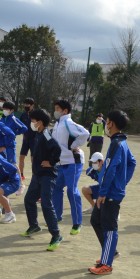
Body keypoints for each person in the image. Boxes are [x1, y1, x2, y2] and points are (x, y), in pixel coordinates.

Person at [89, 109, 137, 275]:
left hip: (109, 194)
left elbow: (110, 170)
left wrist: (104, 192)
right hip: (110, 191)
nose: (105, 125)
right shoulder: (120, 142)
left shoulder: (117, 144)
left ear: (112, 123)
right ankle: (110, 252)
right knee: (95, 220)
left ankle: (106, 265)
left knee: (109, 228)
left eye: (107, 121)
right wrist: (121, 183)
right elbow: (132, 163)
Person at [21, 109, 63, 251]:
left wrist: (51, 162)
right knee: (29, 200)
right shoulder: (38, 134)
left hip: (47, 175)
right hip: (37, 175)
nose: (31, 123)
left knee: (46, 204)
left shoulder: (45, 133)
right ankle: (34, 226)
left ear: (40, 122)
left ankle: (56, 235)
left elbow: (57, 149)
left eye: (33, 121)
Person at [51, 99, 90, 235]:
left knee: (71, 191)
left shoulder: (68, 122)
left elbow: (85, 133)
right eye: (55, 108)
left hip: (73, 162)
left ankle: (77, 222)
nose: (55, 111)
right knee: (56, 188)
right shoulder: (57, 124)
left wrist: (74, 146)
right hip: (61, 163)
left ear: (65, 111)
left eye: (57, 108)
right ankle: (57, 215)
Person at [1, 100, 28, 195]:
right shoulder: (2, 118)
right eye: (4, 108)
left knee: (13, 164)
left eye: (7, 109)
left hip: (10, 145)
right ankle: (10, 182)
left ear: (12, 110)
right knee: (4, 164)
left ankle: (21, 185)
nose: (5, 110)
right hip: (2, 145)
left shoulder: (13, 119)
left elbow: (24, 127)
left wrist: (13, 133)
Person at [18, 98, 36, 181]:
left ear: (32, 105)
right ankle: (21, 174)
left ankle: (34, 175)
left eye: (28, 104)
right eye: (25, 104)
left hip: (34, 140)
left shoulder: (36, 115)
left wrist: (37, 137)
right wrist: (23, 136)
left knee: (33, 159)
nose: (26, 106)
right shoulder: (23, 115)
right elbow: (21, 126)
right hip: (25, 140)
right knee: (21, 157)